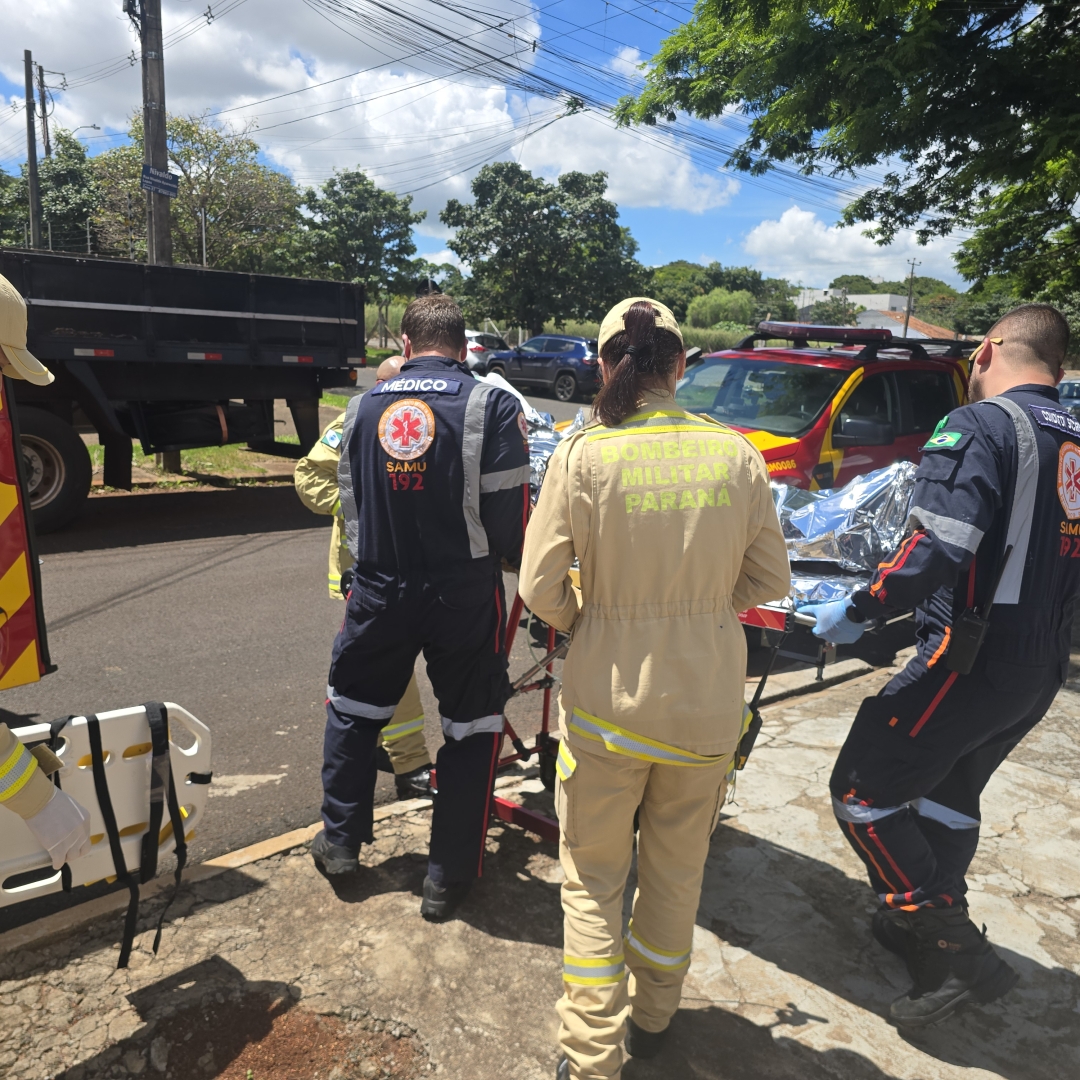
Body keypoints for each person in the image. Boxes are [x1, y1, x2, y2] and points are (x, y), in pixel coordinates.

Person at [519, 298, 790, 1079]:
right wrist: (702, 608)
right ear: (680, 365)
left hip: (608, 705)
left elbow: (541, 589)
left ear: (607, 365)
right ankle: (657, 1016)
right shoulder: (736, 453)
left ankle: (591, 1055)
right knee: (677, 871)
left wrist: (593, 617)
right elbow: (770, 578)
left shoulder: (583, 453)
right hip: (706, 706)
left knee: (593, 881)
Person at [803, 304, 1080, 1028]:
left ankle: (958, 953)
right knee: (946, 794)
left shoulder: (980, 426)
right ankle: (915, 929)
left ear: (987, 350)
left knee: (863, 792)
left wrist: (861, 607)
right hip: (1041, 662)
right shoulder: (1074, 436)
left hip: (970, 657)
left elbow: (938, 543)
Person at [312, 294, 531, 922]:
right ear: (464, 348)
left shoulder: (358, 411)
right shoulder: (492, 405)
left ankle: (342, 844)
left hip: (378, 585)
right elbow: (511, 522)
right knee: (470, 726)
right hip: (462, 593)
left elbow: (347, 509)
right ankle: (447, 875)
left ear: (404, 347)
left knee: (353, 712)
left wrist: (367, 575)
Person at [294, 355, 433, 800]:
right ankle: (410, 761)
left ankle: (374, 746)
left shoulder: (419, 422)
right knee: (391, 666)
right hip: (365, 570)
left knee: (376, 666)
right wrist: (356, 504)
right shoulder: (356, 419)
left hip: (409, 565)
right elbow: (308, 475)